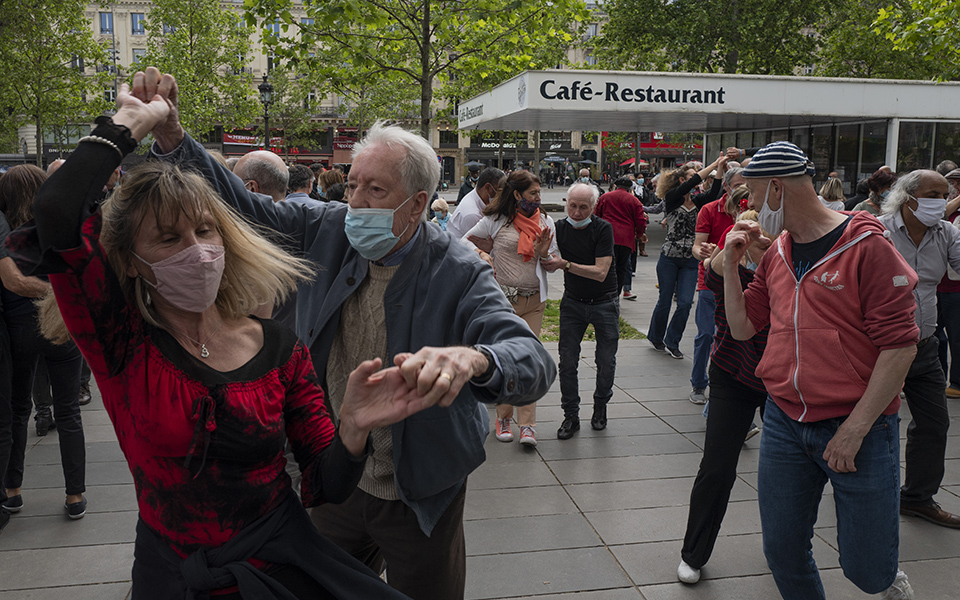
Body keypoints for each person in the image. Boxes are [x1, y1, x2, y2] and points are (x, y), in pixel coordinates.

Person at [136, 67, 555, 599]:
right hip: (338, 473)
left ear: (418, 204)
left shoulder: (457, 268)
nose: (355, 201)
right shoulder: (326, 226)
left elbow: (531, 358)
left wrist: (475, 361)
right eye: (353, 184)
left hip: (420, 490)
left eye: (375, 190)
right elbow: (244, 205)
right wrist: (173, 138)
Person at [8, 78, 423, 598]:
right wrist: (130, 123)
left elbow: (325, 484)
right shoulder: (121, 343)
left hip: (284, 566)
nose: (196, 249)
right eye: (168, 238)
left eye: (205, 231)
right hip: (174, 577)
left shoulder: (279, 349)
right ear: (131, 264)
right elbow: (57, 211)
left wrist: (354, 429)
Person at [721, 141, 918, 599]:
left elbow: (900, 347)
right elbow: (744, 327)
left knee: (868, 572)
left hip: (858, 428)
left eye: (750, 193)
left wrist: (854, 429)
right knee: (784, 552)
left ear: (775, 188)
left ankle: (889, 580)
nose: (747, 206)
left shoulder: (868, 247)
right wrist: (731, 266)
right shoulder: (778, 251)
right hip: (786, 420)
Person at [678, 198, 769, 585]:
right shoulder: (732, 270)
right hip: (734, 373)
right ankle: (693, 554)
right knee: (716, 467)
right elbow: (712, 270)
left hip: (785, 379)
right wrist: (732, 250)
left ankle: (790, 549)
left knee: (793, 472)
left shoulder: (796, 271)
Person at [0, 165, 87, 522]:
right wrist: (58, 296)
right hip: (60, 324)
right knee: (69, 410)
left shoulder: (6, 231)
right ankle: (75, 495)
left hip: (19, 326)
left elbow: (12, 281)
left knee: (18, 410)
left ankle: (13, 490)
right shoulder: (56, 225)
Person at [877, 170, 960, 529]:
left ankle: (916, 498)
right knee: (871, 423)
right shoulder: (878, 230)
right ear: (909, 197)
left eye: (946, 194)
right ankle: (862, 491)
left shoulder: (947, 233)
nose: (942, 202)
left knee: (934, 423)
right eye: (934, 194)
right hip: (879, 349)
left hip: (924, 346)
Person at [461, 171, 558, 447]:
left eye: (539, 193)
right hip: (503, 302)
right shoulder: (496, 221)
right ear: (517, 195)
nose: (538, 198)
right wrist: (482, 255)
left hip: (534, 301)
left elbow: (554, 259)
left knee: (529, 358)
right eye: (533, 194)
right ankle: (503, 418)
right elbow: (462, 242)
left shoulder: (547, 222)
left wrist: (543, 253)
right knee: (504, 358)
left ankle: (527, 425)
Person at [552, 183, 618, 440]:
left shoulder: (603, 229)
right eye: (572, 206)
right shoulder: (558, 229)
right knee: (567, 361)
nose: (577, 212)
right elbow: (546, 257)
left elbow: (600, 273)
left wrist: (564, 264)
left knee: (605, 361)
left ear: (594, 207)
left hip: (604, 301)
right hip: (573, 302)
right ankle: (571, 415)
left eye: (583, 207)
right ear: (565, 203)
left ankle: (600, 406)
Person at [647, 156, 725, 360]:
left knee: (685, 302)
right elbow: (694, 182)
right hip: (669, 257)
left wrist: (721, 170)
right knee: (664, 300)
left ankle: (672, 341)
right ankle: (656, 336)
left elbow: (714, 192)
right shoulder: (672, 197)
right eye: (691, 177)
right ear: (683, 180)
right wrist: (714, 165)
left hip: (691, 259)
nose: (696, 181)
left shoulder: (698, 201)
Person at [688, 168, 743, 405]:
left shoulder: (756, 212)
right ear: (726, 187)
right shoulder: (710, 210)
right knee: (707, 334)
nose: (745, 189)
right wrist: (704, 253)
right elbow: (697, 246)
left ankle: (732, 387)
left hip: (743, 283)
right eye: (740, 184)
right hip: (711, 281)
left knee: (737, 336)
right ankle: (699, 384)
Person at [594, 176, 647, 301]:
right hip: (625, 239)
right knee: (621, 268)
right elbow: (640, 221)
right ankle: (615, 295)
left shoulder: (605, 197)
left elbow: (596, 216)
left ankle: (603, 294)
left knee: (605, 267)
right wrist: (639, 235)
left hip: (606, 237)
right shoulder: (634, 201)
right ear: (629, 188)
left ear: (616, 186)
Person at [938, 167, 960, 399]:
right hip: (940, 282)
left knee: (956, 335)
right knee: (935, 333)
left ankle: (957, 382)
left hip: (955, 285)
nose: (953, 189)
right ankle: (937, 375)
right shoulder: (947, 212)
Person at [446, 167, 504, 240]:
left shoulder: (475, 197)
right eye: (498, 191)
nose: (500, 196)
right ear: (488, 187)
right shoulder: (472, 214)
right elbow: (480, 245)